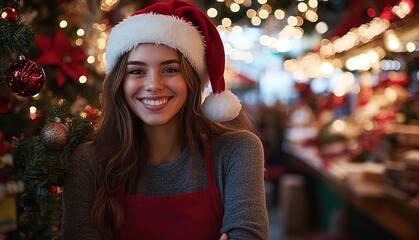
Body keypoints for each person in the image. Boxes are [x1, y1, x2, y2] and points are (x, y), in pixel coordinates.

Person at [61, 0, 268, 239]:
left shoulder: (237, 151)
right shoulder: (88, 162)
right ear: (119, 83)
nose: (153, 85)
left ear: (192, 80)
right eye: (137, 71)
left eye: (170, 70)